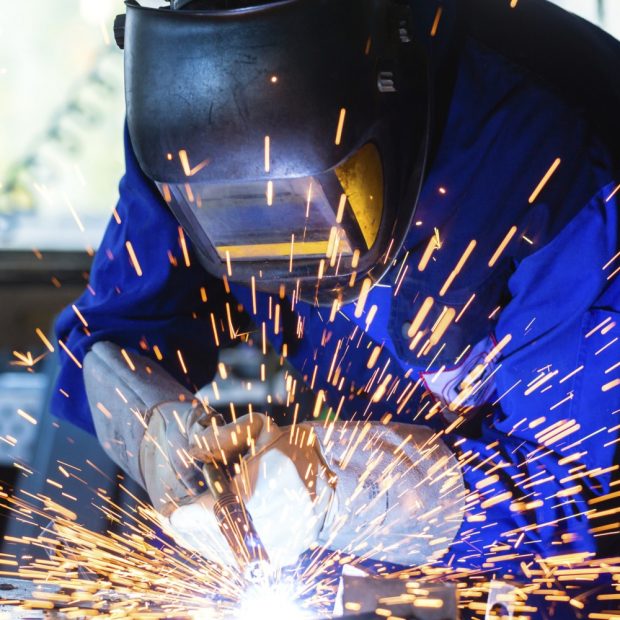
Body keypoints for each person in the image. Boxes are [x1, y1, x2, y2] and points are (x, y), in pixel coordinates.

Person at [53, 0, 620, 579]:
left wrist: (337, 487)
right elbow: (113, 332)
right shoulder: (182, 119)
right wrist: (155, 432)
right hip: (335, 521)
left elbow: (574, 495)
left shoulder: (563, 159)